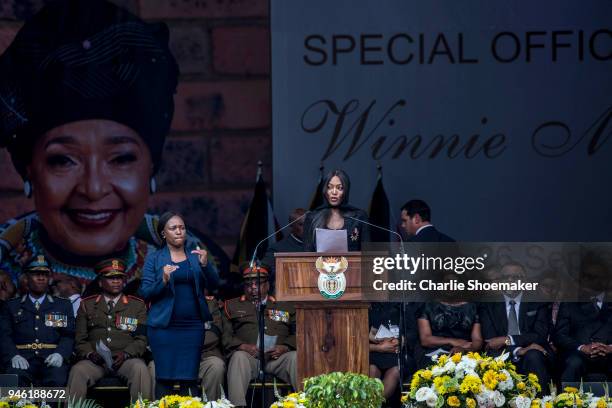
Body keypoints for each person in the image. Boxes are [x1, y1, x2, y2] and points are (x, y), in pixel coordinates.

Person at [0, 0, 227, 293]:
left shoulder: (203, 267)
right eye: (63, 161)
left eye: (121, 158)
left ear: (151, 167)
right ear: (29, 170)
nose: (93, 189)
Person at [139, 212, 219, 399]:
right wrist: (163, 280)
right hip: (163, 328)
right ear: (163, 234)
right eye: (173, 228)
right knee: (164, 379)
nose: (179, 232)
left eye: (182, 227)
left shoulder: (195, 257)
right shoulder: (155, 258)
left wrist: (206, 265)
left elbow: (215, 285)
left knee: (189, 379)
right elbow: (145, 292)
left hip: (192, 327)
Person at [68, 258, 151, 400]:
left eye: (119, 278)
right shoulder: (86, 305)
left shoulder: (137, 306)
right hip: (96, 362)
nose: (116, 281)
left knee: (140, 369)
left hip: (126, 360)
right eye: (111, 278)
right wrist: (89, 354)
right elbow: (80, 339)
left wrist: (126, 354)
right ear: (100, 282)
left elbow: (141, 339)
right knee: (78, 370)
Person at [223, 264, 297, 408]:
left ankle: (304, 402)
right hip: (250, 358)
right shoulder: (232, 306)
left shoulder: (284, 305)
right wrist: (242, 346)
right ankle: (237, 406)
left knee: (296, 358)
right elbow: (225, 336)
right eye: (249, 285)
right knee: (238, 357)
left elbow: (299, 332)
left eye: (258, 284)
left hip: (278, 358)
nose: (253, 288)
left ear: (268, 285)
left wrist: (285, 347)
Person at [479, 262, 552, 393]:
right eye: (505, 277)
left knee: (534, 355)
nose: (510, 280)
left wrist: (508, 339)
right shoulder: (488, 304)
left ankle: (541, 402)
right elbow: (492, 341)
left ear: (524, 280)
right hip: (501, 353)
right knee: (491, 357)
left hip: (532, 351)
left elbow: (539, 335)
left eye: (515, 277)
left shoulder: (538, 301)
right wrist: (518, 350)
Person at [4, 255, 74, 386]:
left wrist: (60, 354)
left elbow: (68, 335)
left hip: (51, 357)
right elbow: (3, 335)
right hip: (21, 357)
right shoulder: (11, 306)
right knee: (11, 381)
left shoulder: (62, 305)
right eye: (36, 274)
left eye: (45, 274)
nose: (41, 278)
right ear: (26, 278)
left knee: (57, 380)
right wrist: (13, 355)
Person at [554, 254, 612, 381]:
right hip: (578, 354)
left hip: (609, 354)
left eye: (591, 277)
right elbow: (559, 336)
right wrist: (582, 347)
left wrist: (609, 348)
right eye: (584, 276)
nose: (586, 280)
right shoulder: (570, 303)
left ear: (605, 280)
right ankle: (565, 400)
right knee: (573, 363)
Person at [303, 169, 369, 252]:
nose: (334, 192)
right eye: (329, 187)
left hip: (352, 265)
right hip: (318, 265)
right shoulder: (312, 217)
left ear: (346, 191)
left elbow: (368, 255)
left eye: (339, 188)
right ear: (324, 190)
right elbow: (306, 255)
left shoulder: (359, 217)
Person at [416, 289, 482, 368]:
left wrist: (465, 350)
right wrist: (453, 341)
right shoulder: (428, 305)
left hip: (464, 352)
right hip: (434, 353)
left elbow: (477, 340)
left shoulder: (472, 307)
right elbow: (425, 340)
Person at [261, 208, 306, 290]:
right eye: (301, 224)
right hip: (287, 293)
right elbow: (264, 271)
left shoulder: (318, 245)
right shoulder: (277, 248)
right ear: (291, 225)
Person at [368, 302, 402, 402]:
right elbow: (360, 337)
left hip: (395, 352)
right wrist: (378, 346)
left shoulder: (401, 306)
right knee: (372, 369)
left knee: (395, 370)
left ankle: (375, 403)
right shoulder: (369, 307)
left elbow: (412, 333)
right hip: (375, 351)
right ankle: (371, 403)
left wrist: (400, 340)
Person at [199, 296, 227, 401]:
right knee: (155, 366)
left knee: (216, 365)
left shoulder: (210, 303)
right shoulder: (168, 301)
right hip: (175, 355)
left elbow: (214, 333)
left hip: (204, 354)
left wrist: (189, 344)